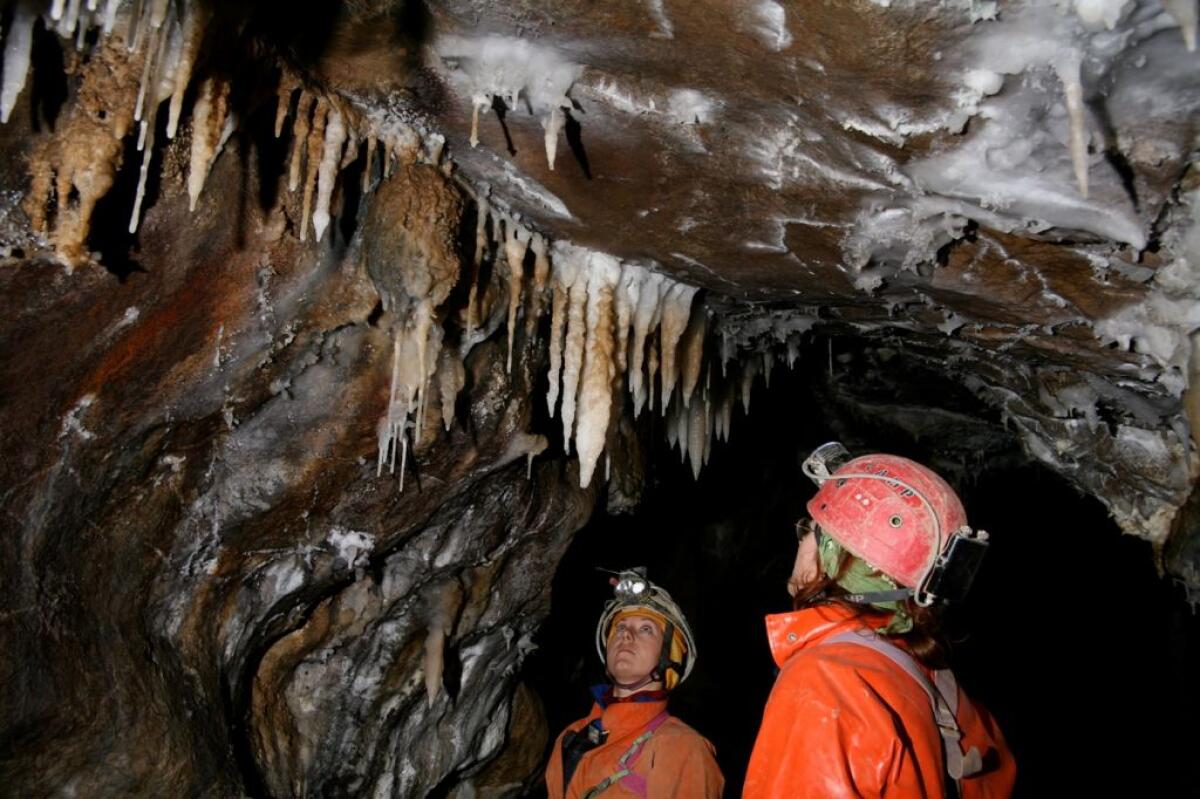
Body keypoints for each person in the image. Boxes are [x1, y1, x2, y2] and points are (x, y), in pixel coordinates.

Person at [744, 442, 1017, 799]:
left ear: (836, 553)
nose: (801, 540)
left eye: (809, 529)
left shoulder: (825, 683)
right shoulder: (940, 686)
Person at [545, 570, 724, 798]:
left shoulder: (682, 747)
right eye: (620, 627)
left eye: (645, 629)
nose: (626, 635)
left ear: (670, 655)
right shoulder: (571, 736)